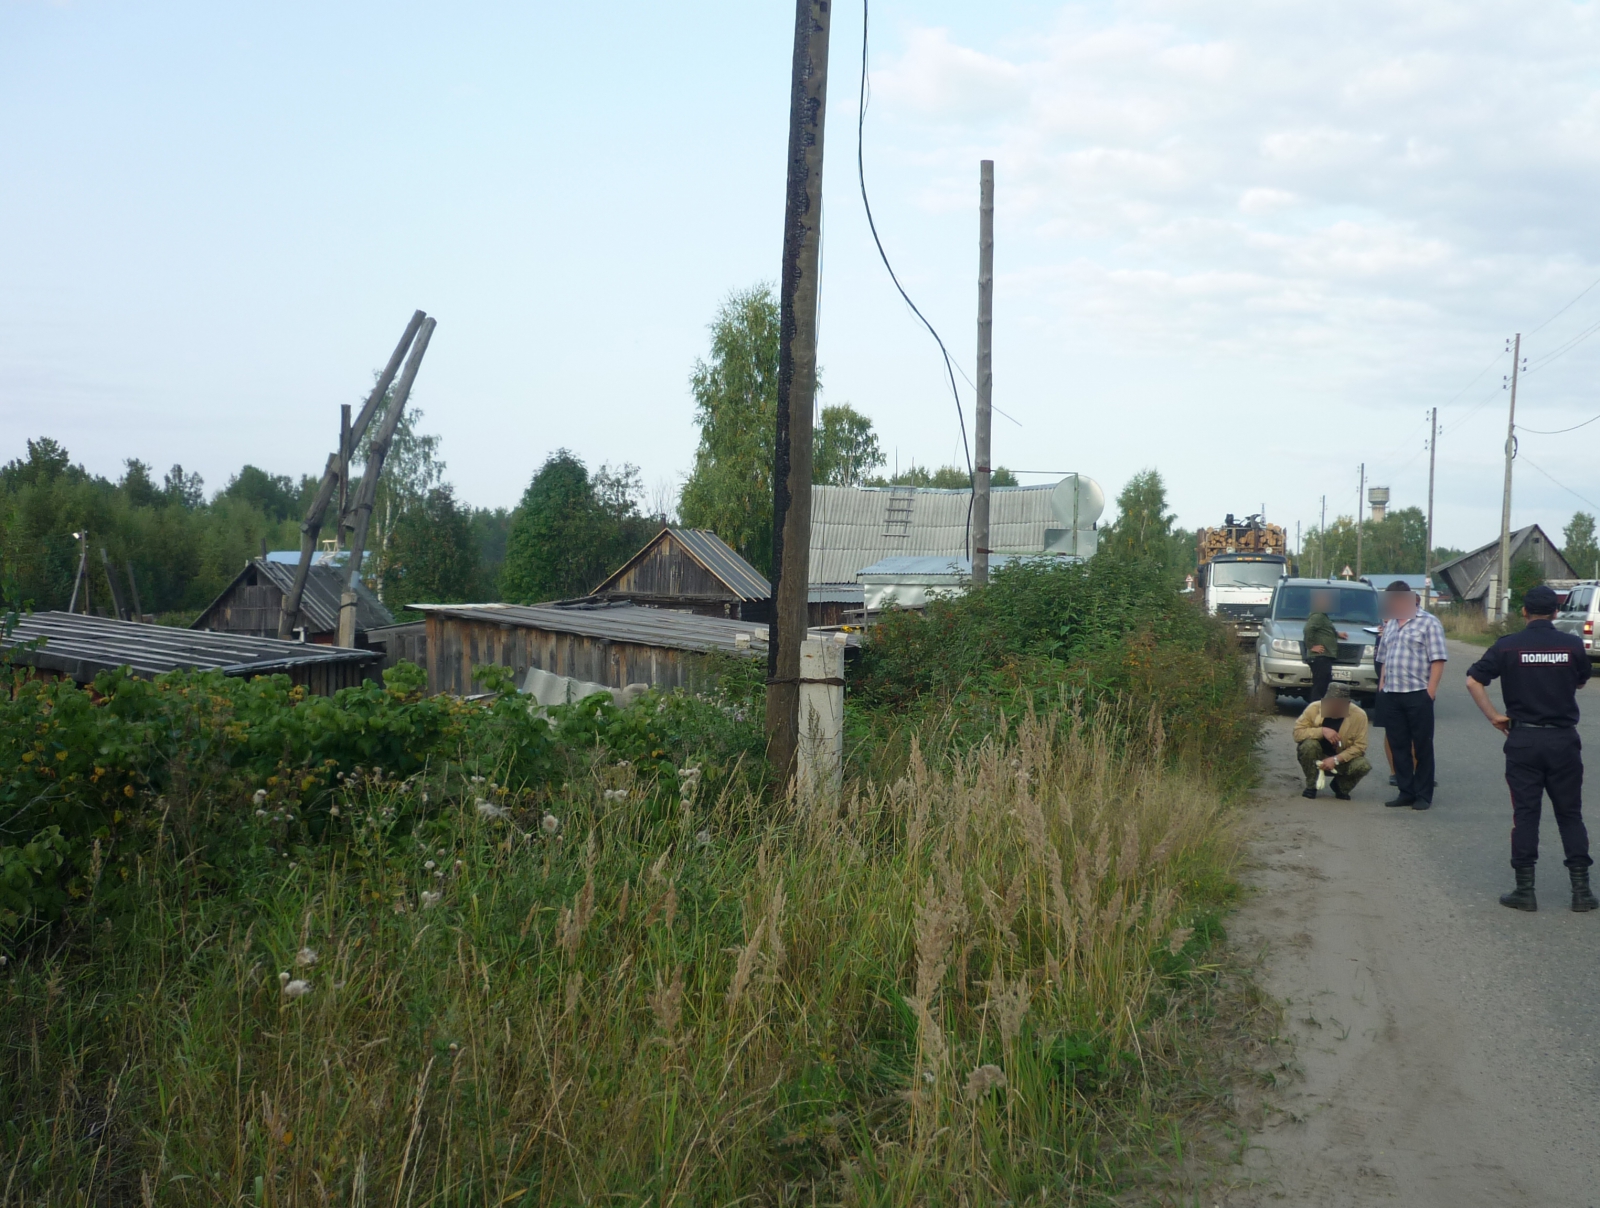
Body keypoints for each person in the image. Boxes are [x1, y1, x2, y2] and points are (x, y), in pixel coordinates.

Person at [1465, 584, 1597, 912]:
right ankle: (1581, 892)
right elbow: (1581, 680)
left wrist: (1494, 716)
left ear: (1523, 612)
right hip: (1563, 739)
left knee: (1526, 813)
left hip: (1523, 739)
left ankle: (1525, 891)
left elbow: (1472, 680)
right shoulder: (1572, 644)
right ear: (1556, 612)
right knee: (1569, 813)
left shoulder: (1507, 646)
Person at [1378, 580, 1447, 809]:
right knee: (1399, 745)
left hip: (1418, 693)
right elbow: (1385, 657)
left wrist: (1431, 691)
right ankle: (1405, 791)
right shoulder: (1390, 624)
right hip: (1392, 693)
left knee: (1422, 745)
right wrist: (1382, 686)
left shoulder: (1428, 623)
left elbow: (1437, 659)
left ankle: (1423, 795)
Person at [1292, 683, 1371, 800]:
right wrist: (1322, 731)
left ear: (1347, 704)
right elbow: (1297, 734)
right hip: (1316, 756)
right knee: (1309, 745)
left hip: (1341, 759)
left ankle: (1340, 786)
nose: (1333, 708)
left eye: (1338, 706)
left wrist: (1335, 759)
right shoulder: (1313, 708)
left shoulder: (1359, 716)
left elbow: (1360, 747)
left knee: (1363, 765)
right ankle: (1311, 785)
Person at [1303, 588, 1345, 702]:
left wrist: (1337, 634)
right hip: (1320, 657)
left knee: (1325, 686)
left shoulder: (1323, 616)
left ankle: (1323, 715)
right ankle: (1316, 714)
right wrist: (1311, 646)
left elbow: (1323, 630)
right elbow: (1308, 629)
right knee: (1320, 688)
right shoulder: (1318, 616)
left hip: (1325, 657)